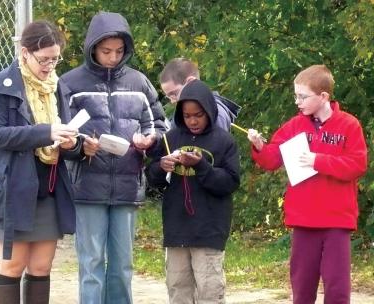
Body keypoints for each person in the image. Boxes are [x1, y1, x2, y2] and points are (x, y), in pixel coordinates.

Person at [59, 12, 167, 304]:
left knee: (122, 266)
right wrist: (81, 147)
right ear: (92, 47)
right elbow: (57, 134)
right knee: (91, 265)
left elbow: (160, 125)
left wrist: (150, 140)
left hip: (128, 186)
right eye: (106, 51)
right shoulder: (69, 83)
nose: (113, 57)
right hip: (86, 187)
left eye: (119, 51)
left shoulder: (139, 83)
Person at [0, 21, 80, 304]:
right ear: (24, 53)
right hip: (13, 189)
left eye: (55, 59)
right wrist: (45, 133)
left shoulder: (59, 86)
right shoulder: (1, 85)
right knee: (12, 266)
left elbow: (66, 135)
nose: (49, 65)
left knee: (41, 267)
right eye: (43, 59)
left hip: (49, 188)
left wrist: (75, 144)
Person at [247, 65, 367, 303]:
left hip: (337, 221)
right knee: (302, 286)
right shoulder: (295, 125)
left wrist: (318, 161)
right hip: (303, 220)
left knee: (337, 287)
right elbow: (272, 159)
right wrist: (260, 147)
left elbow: (357, 165)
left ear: (323, 96)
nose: (297, 102)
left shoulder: (349, 125)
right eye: (295, 96)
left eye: (303, 96)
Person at [146, 79, 240, 303]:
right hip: (177, 228)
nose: (193, 121)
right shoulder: (171, 138)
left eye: (198, 114)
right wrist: (161, 167)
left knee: (209, 290)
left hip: (209, 229)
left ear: (209, 110)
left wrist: (200, 166)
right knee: (178, 289)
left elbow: (230, 182)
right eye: (187, 116)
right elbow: (153, 180)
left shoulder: (224, 140)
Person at [159, 57, 241, 130]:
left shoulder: (216, 114)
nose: (173, 101)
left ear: (191, 82)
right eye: (169, 97)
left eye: (174, 94)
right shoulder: (182, 112)